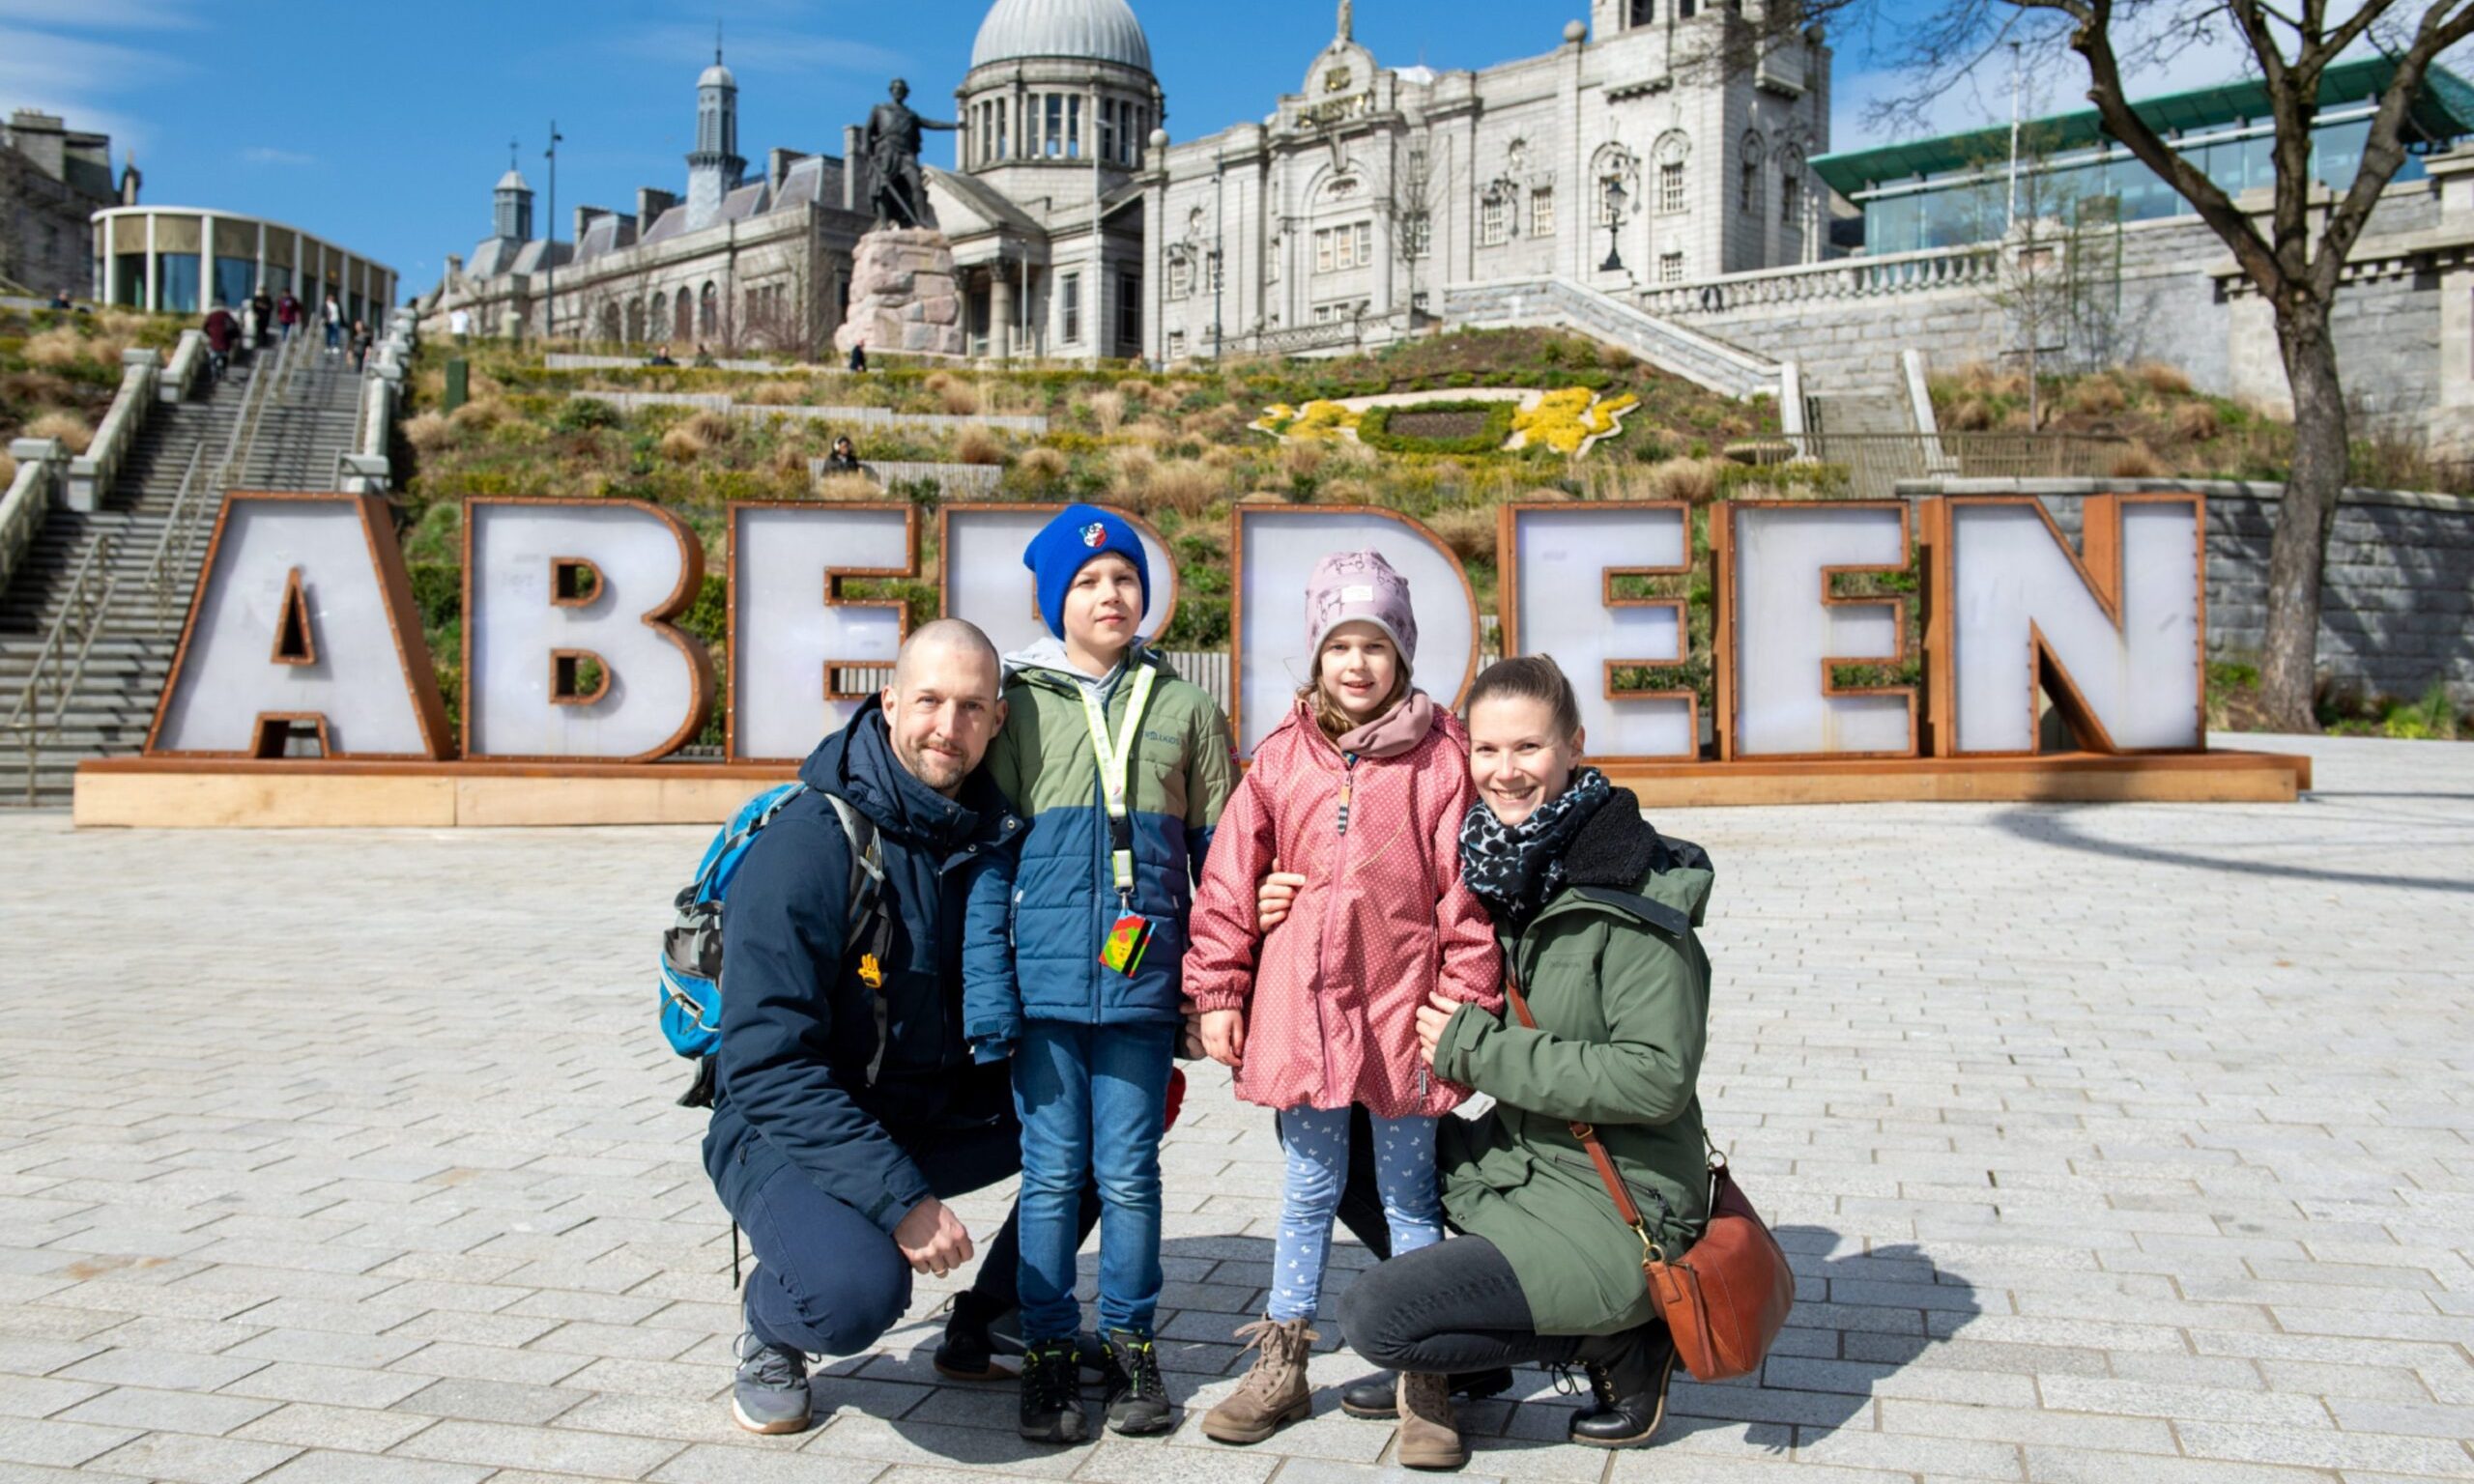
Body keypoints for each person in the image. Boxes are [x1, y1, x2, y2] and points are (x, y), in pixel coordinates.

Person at [1254, 656, 1714, 1458]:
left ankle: (1622, 1341)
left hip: (1615, 1199)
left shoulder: (1630, 885)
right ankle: (1470, 1355)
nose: (1506, 773)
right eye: (1489, 752)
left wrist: (1481, 1050)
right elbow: (1384, 911)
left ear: (1573, 746)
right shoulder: (1497, 864)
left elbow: (1657, 1079)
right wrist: (1285, 905)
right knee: (1337, 1130)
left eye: (1529, 749)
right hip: (1519, 1164)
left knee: (1379, 1319)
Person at [707, 620, 1110, 1437]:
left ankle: (991, 1316)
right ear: (889, 701)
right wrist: (902, 1203)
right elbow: (762, 1065)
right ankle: (772, 1322)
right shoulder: (810, 845)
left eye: (969, 708)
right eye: (928, 701)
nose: (946, 728)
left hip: (929, 1110)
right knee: (854, 1298)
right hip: (787, 1130)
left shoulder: (998, 835)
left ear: (998, 719)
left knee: (1119, 1106)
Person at [1180, 551, 1502, 1467]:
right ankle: (1283, 1363)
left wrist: (1463, 1011)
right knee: (1309, 1189)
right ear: (1315, 657)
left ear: (1403, 652)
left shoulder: (1443, 760)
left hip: (1403, 1018)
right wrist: (1218, 993)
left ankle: (1424, 1376)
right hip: (1301, 1010)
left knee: (1407, 1196)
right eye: (1338, 646)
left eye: (1375, 645)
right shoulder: (1281, 759)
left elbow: (1464, 905)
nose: (1356, 664)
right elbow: (1229, 887)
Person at [962, 506, 1236, 1444]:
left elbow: (1221, 870)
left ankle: (1129, 1344)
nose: (1108, 594)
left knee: (1128, 1176)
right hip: (1040, 991)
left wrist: (1212, 988)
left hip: (1141, 987)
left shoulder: (1189, 710)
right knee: (1049, 1178)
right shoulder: (1016, 705)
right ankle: (1044, 1351)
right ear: (1052, 602)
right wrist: (989, 989)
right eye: (1085, 583)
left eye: (1122, 577)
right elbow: (989, 862)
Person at [202, 302, 239, 382]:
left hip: (214, 341)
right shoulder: (226, 315)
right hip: (225, 341)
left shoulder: (211, 316)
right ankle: (223, 372)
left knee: (213, 359)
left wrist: (210, 334)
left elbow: (204, 327)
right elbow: (234, 326)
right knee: (224, 357)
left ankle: (215, 375)